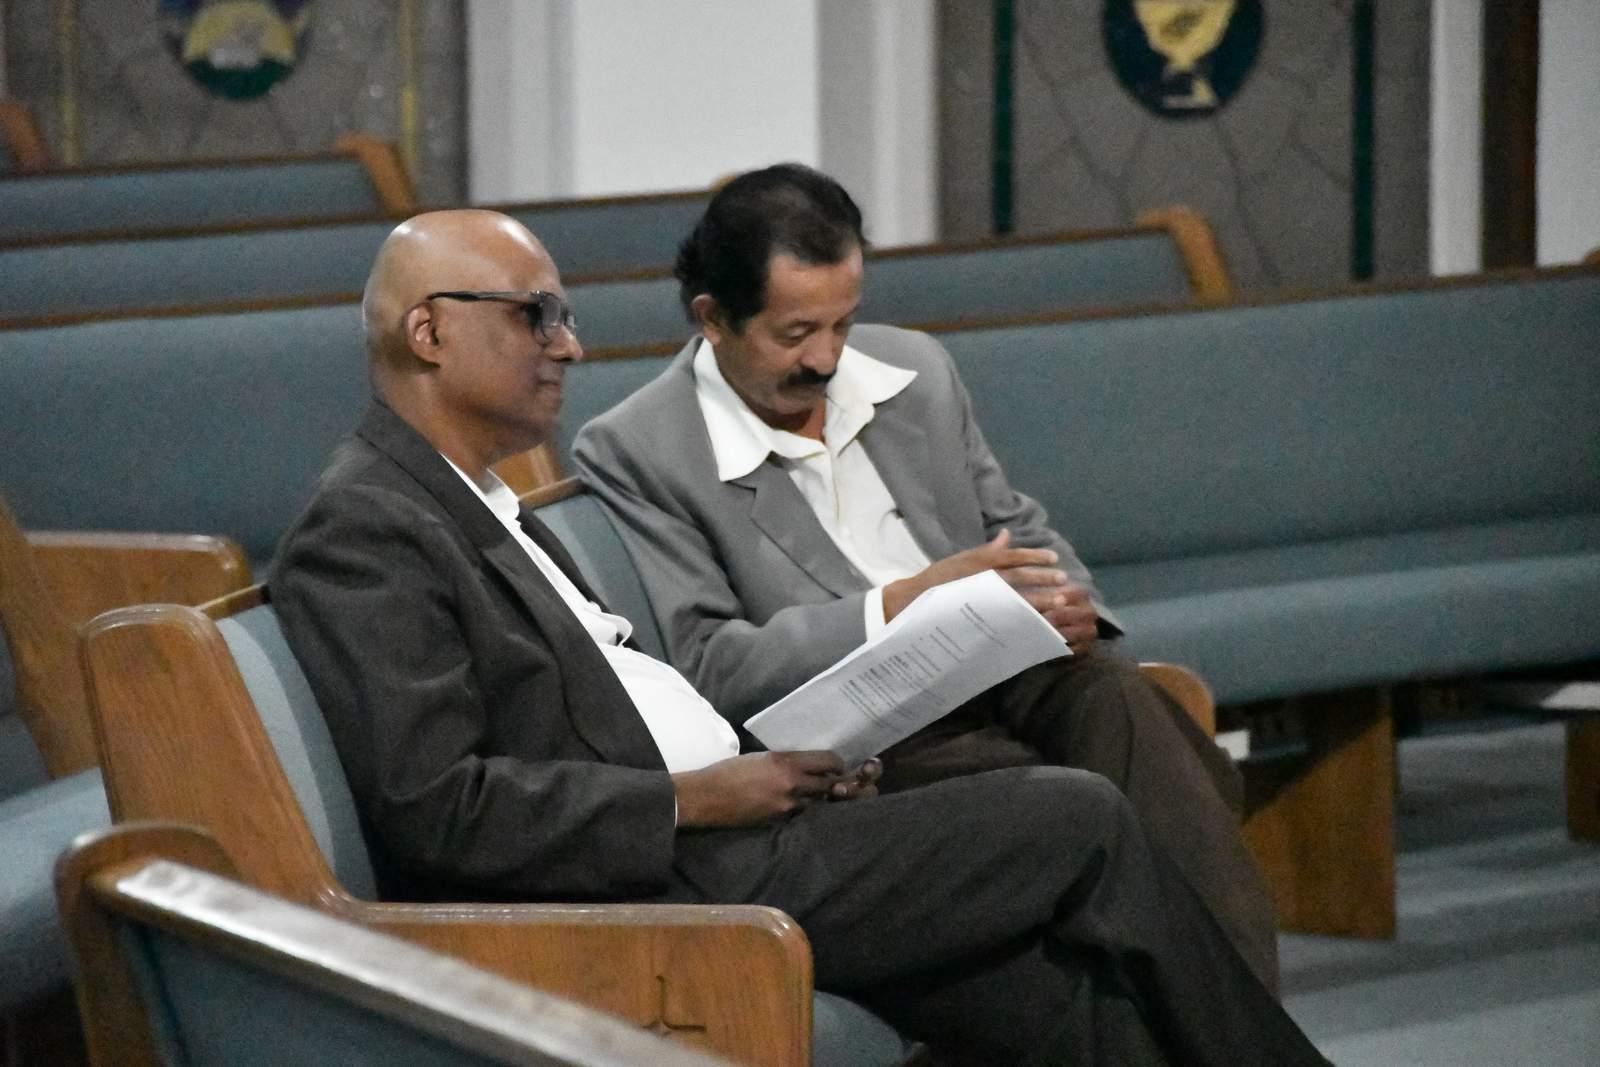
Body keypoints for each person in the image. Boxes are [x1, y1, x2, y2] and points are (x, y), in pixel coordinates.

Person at [271, 208, 1327, 1066]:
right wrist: (696, 795)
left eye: (565, 316)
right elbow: (436, 809)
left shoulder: (478, 497)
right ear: (428, 332)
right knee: (1076, 814)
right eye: (536, 315)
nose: (569, 345)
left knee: (1071, 1001)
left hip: (735, 824)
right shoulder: (367, 523)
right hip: (652, 884)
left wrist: (772, 767)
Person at [572, 163, 1280, 991]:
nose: (826, 357)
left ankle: (1234, 1022)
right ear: (713, 318)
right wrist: (908, 600)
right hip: (871, 734)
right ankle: (1219, 1026)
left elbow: (1015, 522)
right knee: (1111, 796)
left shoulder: (914, 370)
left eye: (843, 322)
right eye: (795, 333)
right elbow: (710, 662)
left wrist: (1069, 601)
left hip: (1007, 667)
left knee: (1125, 703)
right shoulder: (642, 446)